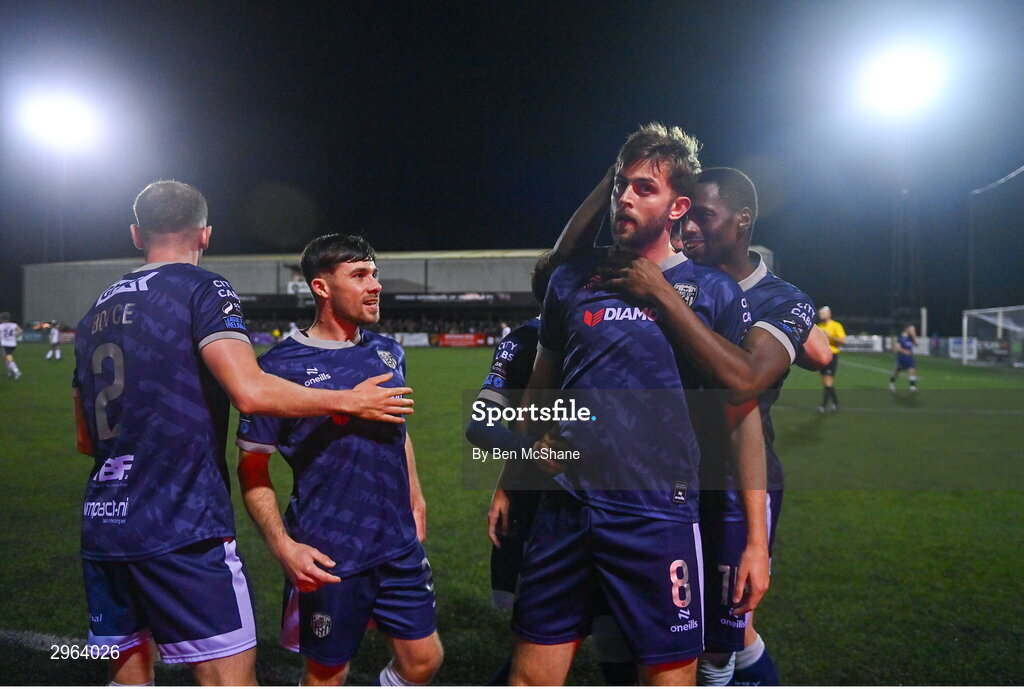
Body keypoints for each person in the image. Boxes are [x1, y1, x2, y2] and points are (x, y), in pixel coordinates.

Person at [72, 181, 414, 686]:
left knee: (128, 677)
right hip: (180, 523)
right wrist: (348, 399)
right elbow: (250, 392)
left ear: (135, 234)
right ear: (206, 234)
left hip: (103, 523)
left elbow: (85, 438)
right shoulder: (202, 289)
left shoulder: (93, 313)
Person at [508, 124, 769, 686]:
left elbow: (741, 419)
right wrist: (525, 457)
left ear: (678, 206)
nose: (625, 196)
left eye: (643, 188)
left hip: (658, 514)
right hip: (565, 510)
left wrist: (755, 541)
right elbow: (540, 387)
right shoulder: (572, 282)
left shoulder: (714, 292)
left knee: (669, 679)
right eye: (620, 185)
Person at [598, 168, 830, 685]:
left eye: (704, 216)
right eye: (686, 215)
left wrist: (661, 297)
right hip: (663, 487)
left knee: (719, 647)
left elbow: (744, 379)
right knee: (663, 634)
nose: (690, 228)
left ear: (742, 221)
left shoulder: (781, 300)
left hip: (733, 484)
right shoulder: (678, 279)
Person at [236, 234, 443, 687]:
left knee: (423, 661)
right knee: (327, 674)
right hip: (330, 551)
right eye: (359, 275)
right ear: (321, 288)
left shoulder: (388, 351)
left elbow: (397, 429)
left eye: (375, 274)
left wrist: (416, 494)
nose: (375, 285)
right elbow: (252, 468)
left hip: (397, 543)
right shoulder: (277, 368)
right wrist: (282, 545)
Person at [816, 306, 846, 413]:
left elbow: (843, 340)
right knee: (826, 382)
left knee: (828, 381)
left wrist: (830, 336)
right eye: (820, 313)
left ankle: (823, 406)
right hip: (822, 355)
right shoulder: (819, 326)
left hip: (832, 355)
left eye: (822, 313)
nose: (820, 315)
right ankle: (836, 404)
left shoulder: (836, 325)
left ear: (829, 314)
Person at [890, 324, 918, 392]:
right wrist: (904, 351)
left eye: (914, 330)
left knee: (912, 369)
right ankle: (892, 383)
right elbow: (897, 347)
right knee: (897, 371)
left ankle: (912, 386)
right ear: (907, 329)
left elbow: (917, 344)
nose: (913, 331)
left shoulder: (911, 338)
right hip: (902, 357)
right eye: (912, 329)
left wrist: (914, 336)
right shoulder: (901, 337)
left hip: (910, 357)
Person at [0, 313, 22, 380]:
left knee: (9, 359)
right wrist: (14, 336)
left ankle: (17, 371)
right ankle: (10, 372)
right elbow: (20, 331)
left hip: (6, 344)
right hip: (13, 344)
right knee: (6, 358)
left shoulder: (1, 326)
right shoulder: (14, 325)